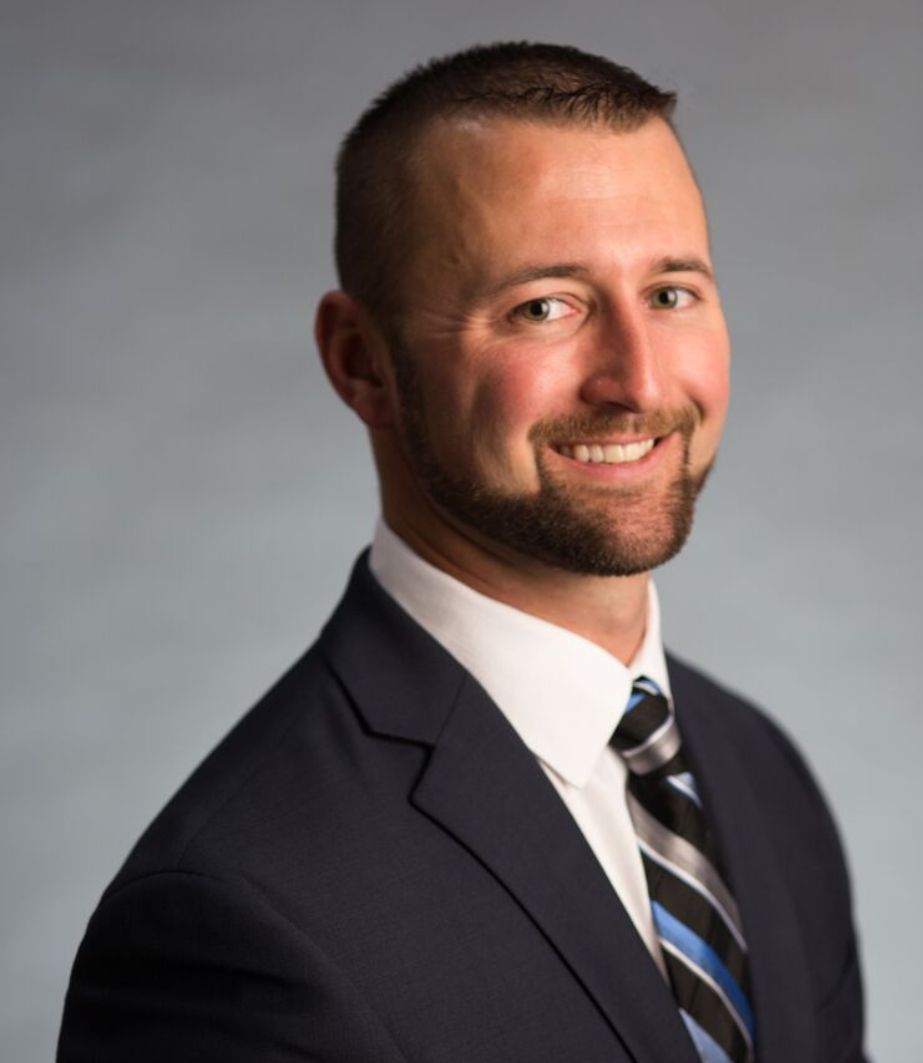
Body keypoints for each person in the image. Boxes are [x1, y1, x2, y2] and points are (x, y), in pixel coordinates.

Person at [57, 42, 867, 1063]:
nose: (637, 379)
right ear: (363, 363)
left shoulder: (759, 773)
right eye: (545, 307)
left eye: (669, 292)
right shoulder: (237, 915)